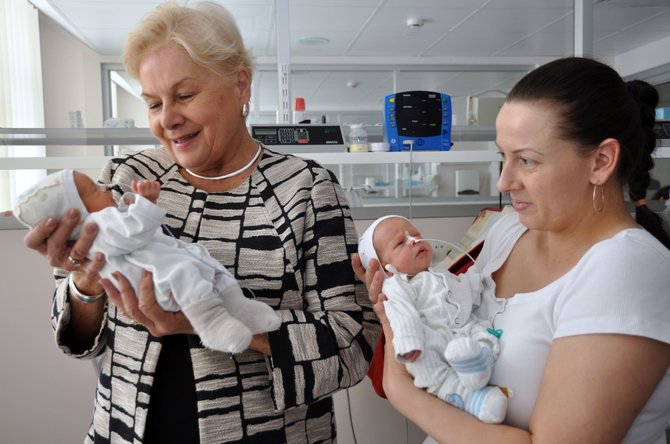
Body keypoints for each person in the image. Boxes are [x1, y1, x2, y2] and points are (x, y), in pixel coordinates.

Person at [20, 2, 379, 443]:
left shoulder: (304, 190)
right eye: (153, 103)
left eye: (185, 95)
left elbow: (353, 341)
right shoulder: (125, 178)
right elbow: (75, 331)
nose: (166, 118)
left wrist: (212, 323)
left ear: (240, 83)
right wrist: (84, 283)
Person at [353, 57, 670, 444]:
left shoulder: (626, 269)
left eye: (527, 161)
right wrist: (400, 302)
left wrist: (401, 388)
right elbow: (448, 317)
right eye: (504, 157)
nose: (504, 181)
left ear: (601, 161)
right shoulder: (508, 231)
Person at [13, 169, 281, 353]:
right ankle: (211, 322)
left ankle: (238, 308)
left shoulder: (105, 220)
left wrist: (134, 202)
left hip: (166, 270)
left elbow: (127, 222)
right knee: (188, 271)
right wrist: (147, 202)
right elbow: (135, 228)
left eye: (186, 95)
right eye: (95, 188)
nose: (106, 186)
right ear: (79, 213)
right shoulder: (99, 224)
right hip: (163, 283)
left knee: (205, 265)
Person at [357, 214, 508, 424]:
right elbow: (402, 314)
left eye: (416, 234)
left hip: (461, 329)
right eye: (401, 242)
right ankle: (463, 394)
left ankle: (480, 361)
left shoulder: (441, 274)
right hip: (430, 339)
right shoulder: (396, 286)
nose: (413, 240)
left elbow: (465, 291)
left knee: (481, 329)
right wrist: (410, 342)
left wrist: (477, 278)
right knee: (423, 364)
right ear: (385, 269)